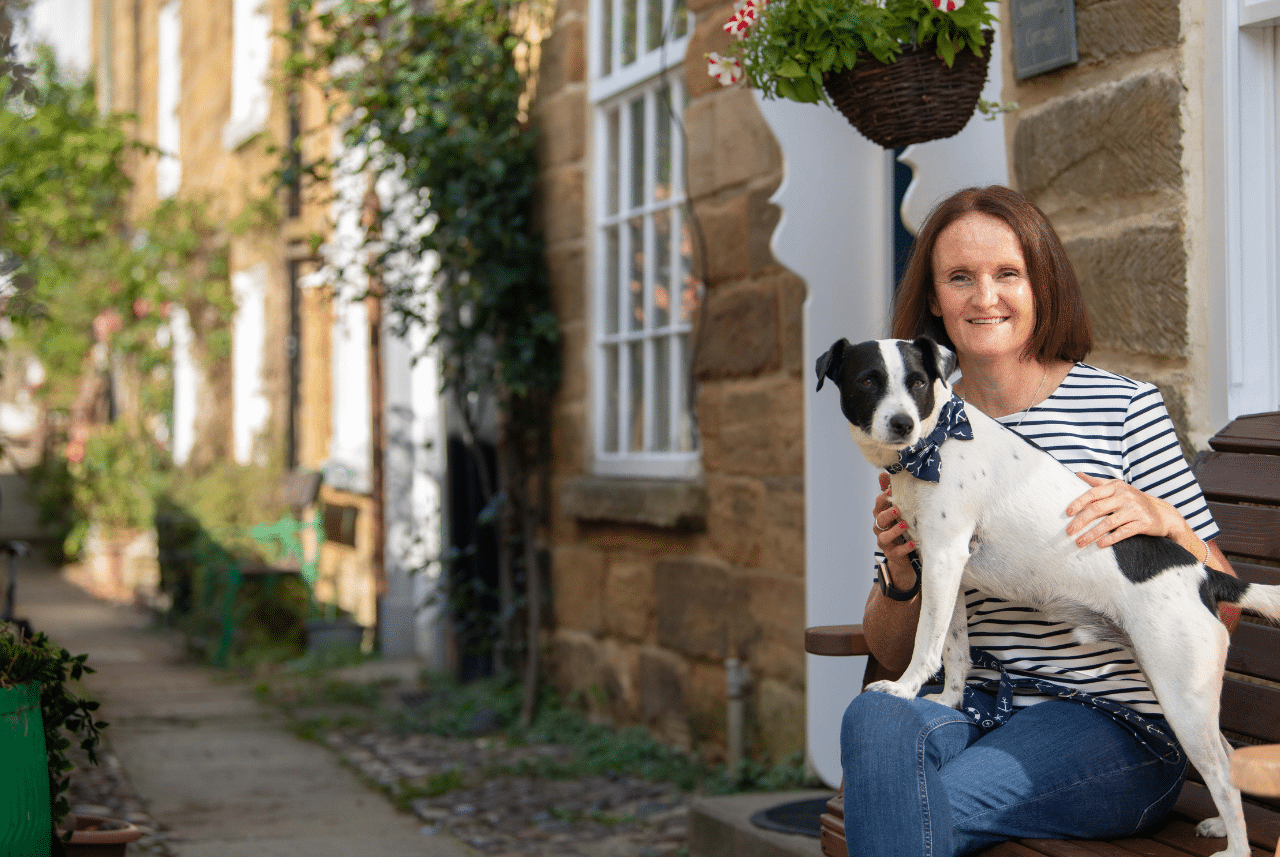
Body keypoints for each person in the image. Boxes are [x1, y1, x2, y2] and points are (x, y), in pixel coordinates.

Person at [839, 185, 1238, 857]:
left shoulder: (1124, 408)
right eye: (959, 277)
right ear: (934, 298)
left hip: (1108, 725)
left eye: (1007, 273)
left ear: (1040, 283)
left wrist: (1164, 518)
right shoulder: (913, 426)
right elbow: (887, 643)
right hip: (967, 704)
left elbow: (1219, 609)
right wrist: (902, 572)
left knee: (914, 805)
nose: (984, 295)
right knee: (874, 718)